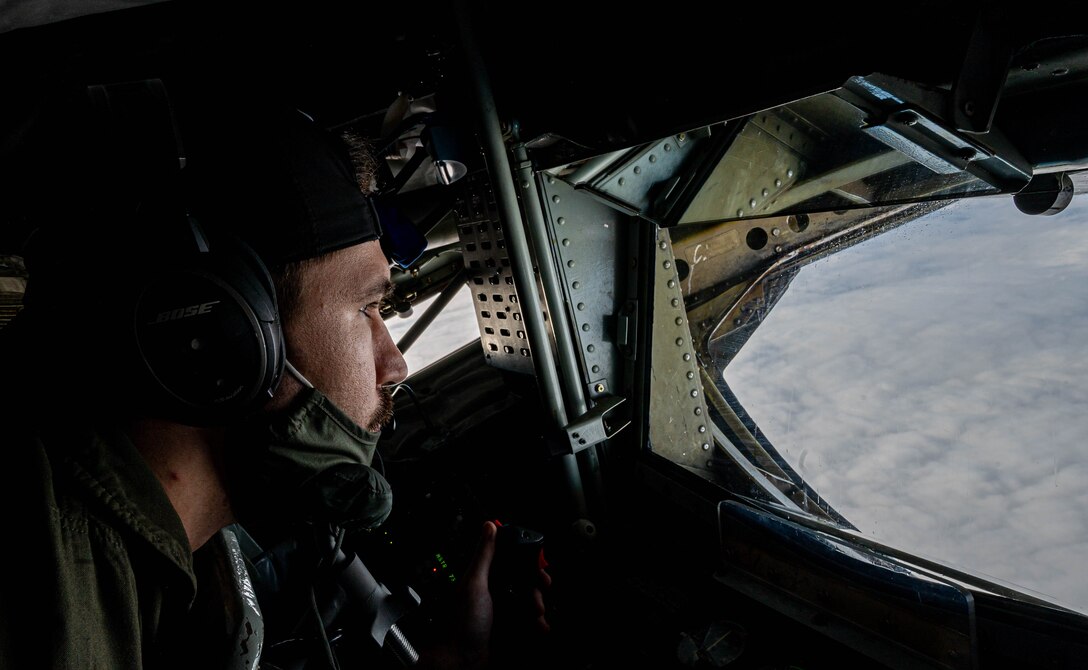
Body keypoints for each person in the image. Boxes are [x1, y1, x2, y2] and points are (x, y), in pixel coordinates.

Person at [0, 84, 549, 669]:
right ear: (223, 333)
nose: (395, 364)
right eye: (367, 309)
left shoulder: (159, 554)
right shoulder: (43, 598)